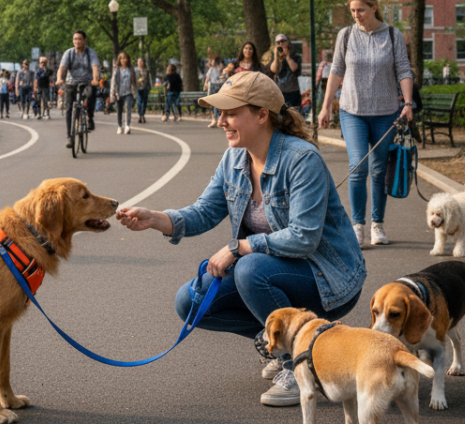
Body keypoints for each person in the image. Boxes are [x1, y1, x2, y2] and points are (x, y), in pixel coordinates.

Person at [116, 71, 365, 408]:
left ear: (262, 114)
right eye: (221, 113)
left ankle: (300, 367)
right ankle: (285, 345)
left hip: (327, 278)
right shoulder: (234, 158)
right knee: (190, 302)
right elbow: (205, 211)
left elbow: (304, 239)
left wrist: (240, 247)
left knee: (249, 270)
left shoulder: (302, 159)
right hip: (272, 270)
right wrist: (157, 219)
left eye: (230, 113)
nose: (221, 121)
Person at [317, 0, 415, 248]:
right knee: (358, 167)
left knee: (379, 168)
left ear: (374, 7)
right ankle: (357, 226)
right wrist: (326, 106)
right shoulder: (346, 35)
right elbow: (336, 71)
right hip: (352, 111)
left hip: (385, 113)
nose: (356, 15)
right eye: (352, 10)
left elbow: (404, 70)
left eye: (360, 10)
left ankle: (377, 224)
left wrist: (408, 103)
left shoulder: (393, 35)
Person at [56, 30, 101, 149]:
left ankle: (90, 117)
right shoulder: (69, 53)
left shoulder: (91, 53)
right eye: (75, 39)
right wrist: (60, 79)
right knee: (69, 108)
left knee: (91, 93)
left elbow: (95, 67)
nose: (77, 41)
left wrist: (95, 79)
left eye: (80, 39)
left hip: (87, 81)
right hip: (72, 82)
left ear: (85, 40)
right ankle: (70, 137)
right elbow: (62, 68)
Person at [269, 34, 302, 109]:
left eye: (283, 41)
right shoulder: (274, 57)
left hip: (293, 92)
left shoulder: (295, 56)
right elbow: (273, 70)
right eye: (278, 42)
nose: (281, 44)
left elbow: (294, 68)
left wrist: (287, 56)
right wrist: (276, 57)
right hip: (279, 92)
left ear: (288, 43)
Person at [110, 52, 135, 134]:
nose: (123, 60)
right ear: (119, 60)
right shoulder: (117, 69)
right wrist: (114, 93)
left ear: (127, 59)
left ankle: (127, 126)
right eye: (121, 58)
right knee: (119, 110)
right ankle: (120, 126)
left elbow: (134, 81)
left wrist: (134, 93)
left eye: (125, 58)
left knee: (128, 108)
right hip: (119, 92)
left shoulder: (130, 69)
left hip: (129, 92)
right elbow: (113, 82)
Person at [203, 56, 225, 128]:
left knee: (218, 104)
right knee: (212, 104)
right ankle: (214, 119)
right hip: (212, 86)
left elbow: (224, 76)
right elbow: (208, 78)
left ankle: (219, 119)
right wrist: (205, 85)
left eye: (212, 61)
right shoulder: (211, 69)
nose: (211, 63)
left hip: (219, 86)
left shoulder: (220, 68)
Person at [135, 57, 151, 124]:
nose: (140, 63)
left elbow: (148, 79)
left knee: (144, 102)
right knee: (139, 101)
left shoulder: (146, 70)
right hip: (137, 87)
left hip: (145, 87)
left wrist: (149, 87)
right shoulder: (135, 70)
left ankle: (142, 115)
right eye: (139, 62)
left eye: (141, 62)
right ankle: (140, 114)